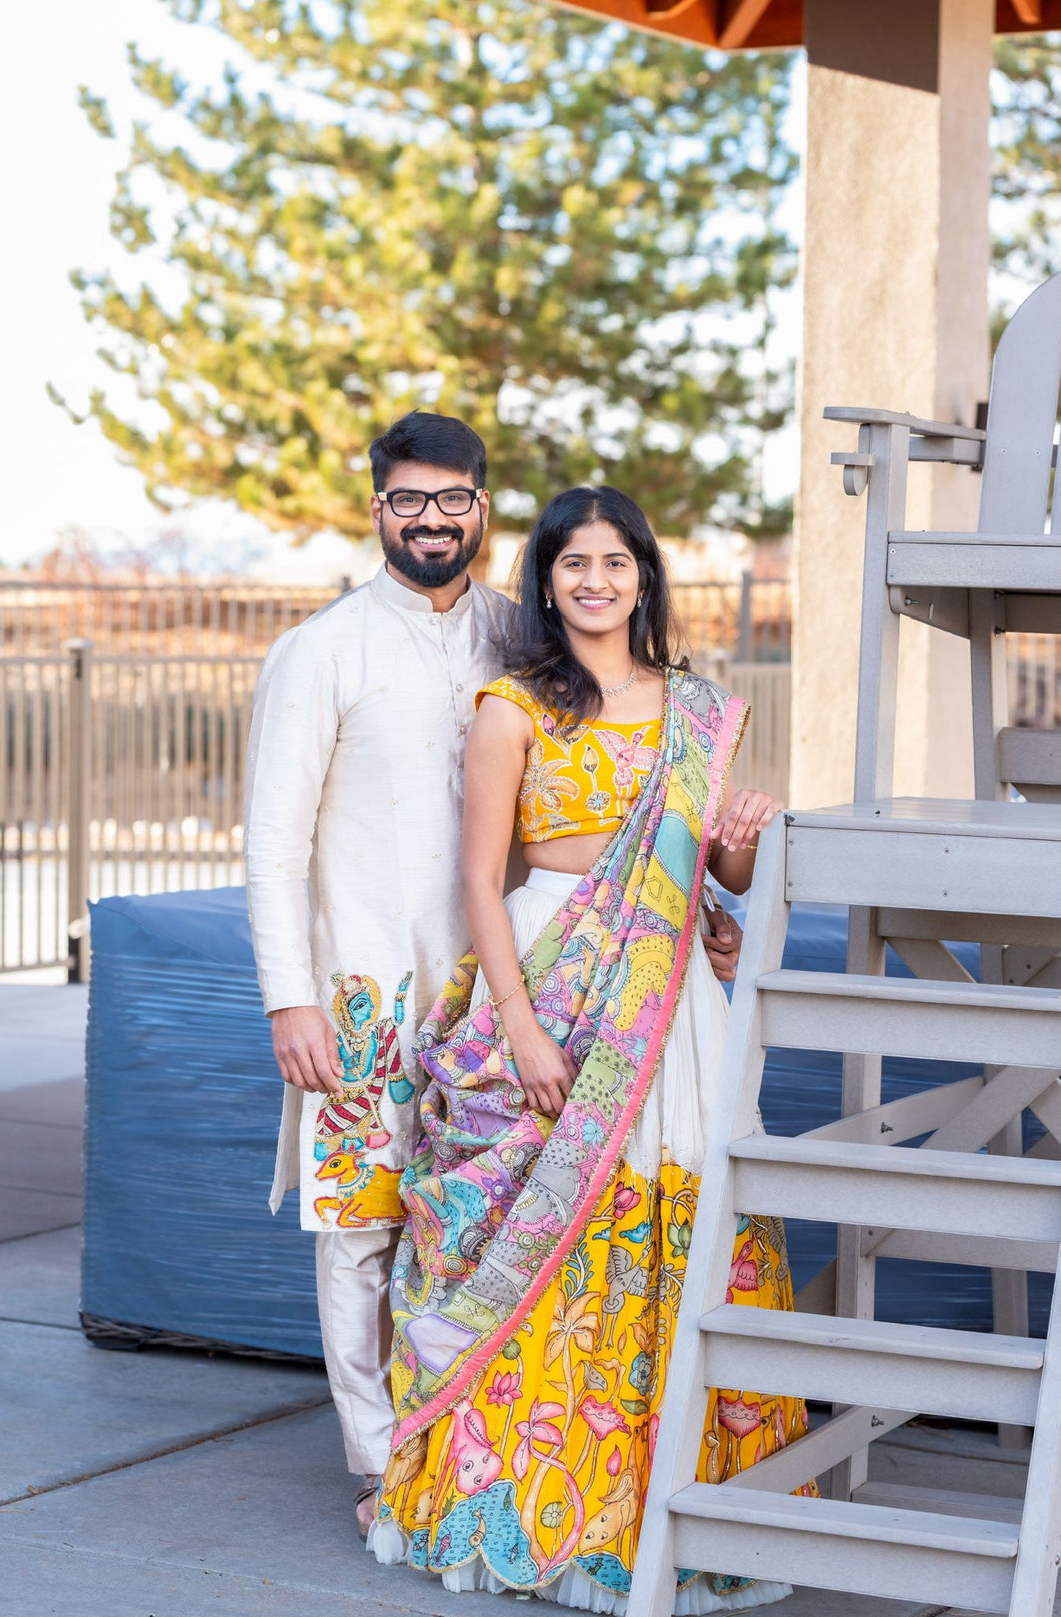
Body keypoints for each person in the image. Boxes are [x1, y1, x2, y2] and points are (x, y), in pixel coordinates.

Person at [371, 486, 814, 1612]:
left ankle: (683, 1512)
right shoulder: (512, 706)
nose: (597, 583)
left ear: (645, 578)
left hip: (669, 998)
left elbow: (722, 881)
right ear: (549, 579)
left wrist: (749, 847)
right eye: (575, 565)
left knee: (680, 1212)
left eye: (617, 564)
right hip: (551, 980)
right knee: (542, 1232)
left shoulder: (702, 710)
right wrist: (516, 1026)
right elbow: (481, 877)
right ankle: (523, 1504)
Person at [243, 410, 512, 1534]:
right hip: (361, 999)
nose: (433, 519)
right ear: (378, 511)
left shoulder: (520, 636)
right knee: (359, 1235)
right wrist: (288, 996)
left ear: (483, 508)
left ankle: (465, 1449)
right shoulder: (322, 649)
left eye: (453, 498)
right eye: (411, 499)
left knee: (480, 1225)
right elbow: (273, 840)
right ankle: (376, 1468)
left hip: (500, 995)